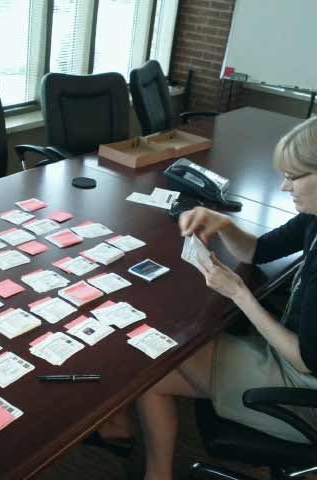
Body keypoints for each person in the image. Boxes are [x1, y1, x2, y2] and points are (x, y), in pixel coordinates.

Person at [126, 116, 317, 480]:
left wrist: (240, 294)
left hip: (303, 391)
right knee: (162, 358)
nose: (283, 186)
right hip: (292, 362)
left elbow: (307, 360)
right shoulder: (314, 218)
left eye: (294, 177)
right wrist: (222, 222)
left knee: (150, 372)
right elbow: (258, 250)